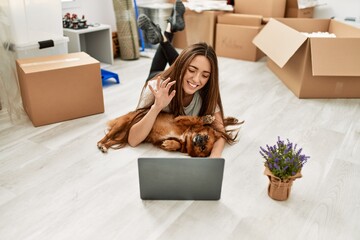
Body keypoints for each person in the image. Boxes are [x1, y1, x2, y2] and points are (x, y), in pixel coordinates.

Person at [128, 0, 229, 158]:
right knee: (161, 70)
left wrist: (215, 157)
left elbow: (221, 131)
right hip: (160, 79)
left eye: (205, 75)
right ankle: (167, 32)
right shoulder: (155, 88)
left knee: (188, 63)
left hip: (177, 72)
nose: (197, 79)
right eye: (192, 70)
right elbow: (133, 140)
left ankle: (166, 34)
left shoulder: (207, 92)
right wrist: (157, 106)